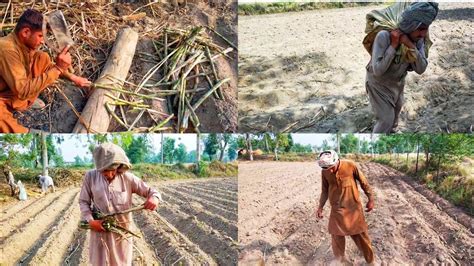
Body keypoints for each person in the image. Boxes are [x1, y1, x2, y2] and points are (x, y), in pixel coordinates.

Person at [0, 9, 91, 133]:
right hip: (5, 96)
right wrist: (58, 68)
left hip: (12, 90)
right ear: (25, 32)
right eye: (40, 36)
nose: (43, 41)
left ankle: (23, 103)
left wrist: (74, 78)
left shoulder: (25, 45)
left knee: (42, 58)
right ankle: (28, 134)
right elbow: (22, 90)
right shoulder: (7, 50)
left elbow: (48, 67)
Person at [79, 143, 162, 265]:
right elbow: (83, 201)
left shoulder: (128, 178)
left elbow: (152, 192)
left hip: (121, 235)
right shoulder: (90, 176)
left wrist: (154, 198)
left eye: (112, 170)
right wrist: (91, 222)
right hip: (99, 230)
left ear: (118, 167)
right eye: (104, 171)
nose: (109, 174)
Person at [365, 2, 439, 133]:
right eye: (420, 29)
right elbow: (377, 71)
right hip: (379, 85)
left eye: (426, 28)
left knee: (396, 114)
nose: (423, 33)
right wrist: (393, 46)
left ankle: (390, 135)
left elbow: (421, 69)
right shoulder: (384, 36)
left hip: (397, 84)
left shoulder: (418, 41)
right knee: (385, 120)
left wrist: (410, 45)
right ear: (411, 26)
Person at [315, 150, 375, 264]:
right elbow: (324, 191)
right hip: (337, 210)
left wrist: (370, 198)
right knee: (336, 237)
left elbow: (364, 182)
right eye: (327, 168)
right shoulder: (325, 172)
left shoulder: (350, 165)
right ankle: (341, 262)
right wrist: (320, 207)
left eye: (332, 167)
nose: (330, 170)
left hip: (353, 209)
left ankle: (370, 262)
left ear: (337, 160)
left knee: (362, 237)